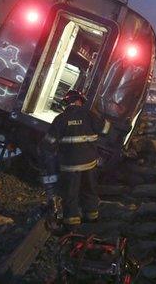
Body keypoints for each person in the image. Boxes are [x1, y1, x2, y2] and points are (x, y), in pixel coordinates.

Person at [39, 90, 111, 231]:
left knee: (70, 195)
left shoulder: (60, 119)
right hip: (89, 164)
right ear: (80, 101)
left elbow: (48, 143)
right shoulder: (90, 115)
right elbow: (106, 129)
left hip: (69, 167)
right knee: (89, 191)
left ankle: (71, 226)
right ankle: (91, 219)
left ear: (67, 103)